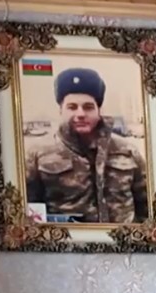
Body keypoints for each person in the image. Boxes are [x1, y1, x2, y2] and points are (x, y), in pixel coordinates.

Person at [24, 66, 148, 225]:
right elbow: (30, 209)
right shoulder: (38, 154)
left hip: (122, 239)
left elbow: (147, 206)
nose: (80, 114)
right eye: (72, 107)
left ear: (98, 110)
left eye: (88, 107)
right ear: (60, 110)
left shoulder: (127, 151)